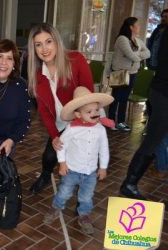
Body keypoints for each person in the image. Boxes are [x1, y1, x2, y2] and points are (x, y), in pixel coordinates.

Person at [26, 23, 95, 194]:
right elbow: (43, 110)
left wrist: (82, 129)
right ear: (33, 48)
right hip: (60, 124)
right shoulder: (37, 74)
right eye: (38, 44)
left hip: (82, 121)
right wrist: (55, 136)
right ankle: (45, 176)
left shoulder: (76, 60)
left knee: (81, 162)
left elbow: (89, 98)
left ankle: (83, 196)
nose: (44, 49)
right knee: (49, 156)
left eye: (48, 41)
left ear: (56, 41)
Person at [43, 86, 114, 234]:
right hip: (72, 170)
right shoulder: (72, 128)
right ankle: (56, 207)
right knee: (64, 192)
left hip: (90, 172)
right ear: (78, 114)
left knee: (87, 196)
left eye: (96, 110)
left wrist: (103, 167)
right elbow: (61, 146)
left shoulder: (100, 129)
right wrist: (62, 163)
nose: (94, 114)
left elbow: (104, 149)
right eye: (89, 112)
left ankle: (84, 215)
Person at [119, 22, 168, 201]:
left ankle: (129, 184)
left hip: (161, 91)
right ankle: (129, 184)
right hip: (163, 93)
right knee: (153, 140)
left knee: (154, 140)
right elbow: (154, 61)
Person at [0, 39, 32, 157]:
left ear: (14, 63)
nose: (4, 62)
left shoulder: (20, 86)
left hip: (6, 143)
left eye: (9, 58)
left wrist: (11, 140)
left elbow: (25, 120)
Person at [107, 17, 150, 131]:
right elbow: (133, 56)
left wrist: (138, 55)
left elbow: (148, 53)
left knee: (124, 98)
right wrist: (139, 55)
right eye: (138, 25)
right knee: (116, 97)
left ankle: (121, 121)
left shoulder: (138, 40)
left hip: (132, 73)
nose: (139, 27)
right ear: (131, 27)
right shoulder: (122, 39)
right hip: (120, 72)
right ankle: (111, 121)